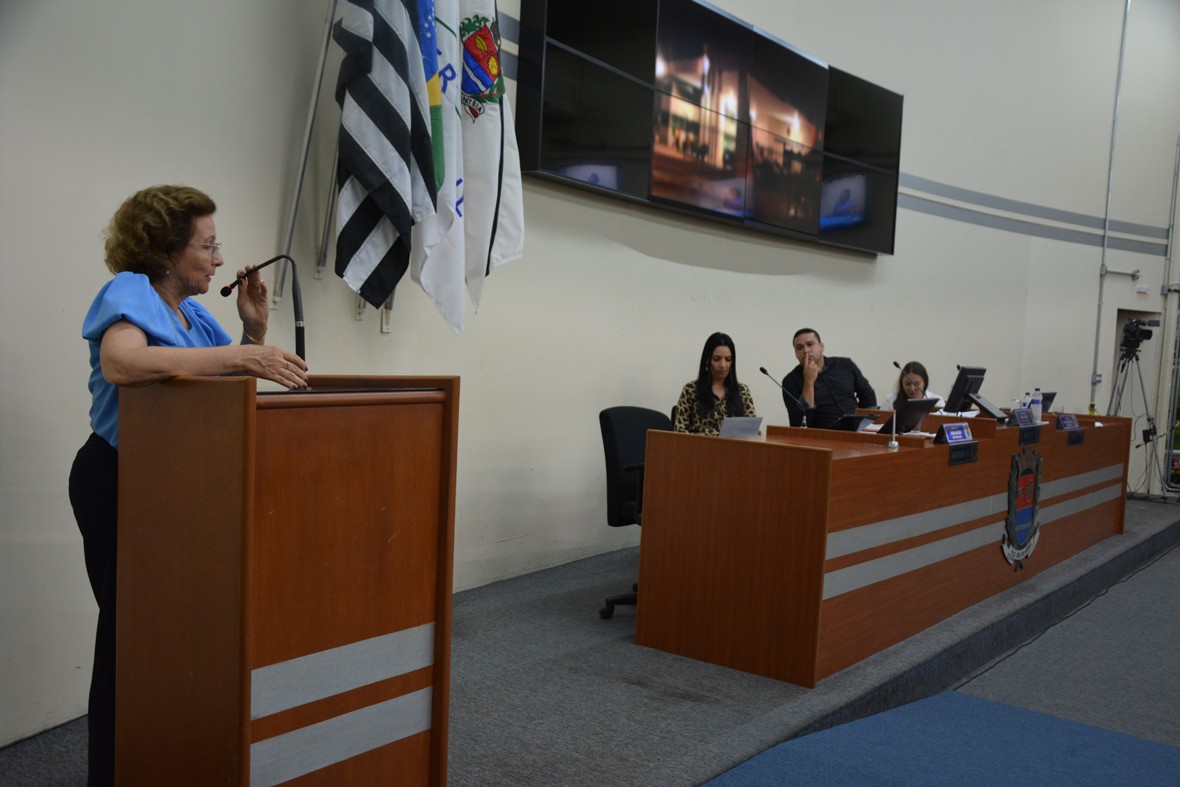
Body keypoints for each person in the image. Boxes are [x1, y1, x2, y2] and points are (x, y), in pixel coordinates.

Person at [68, 185, 309, 785]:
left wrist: (251, 334)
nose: (220, 260)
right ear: (166, 250)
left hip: (176, 488)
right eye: (208, 246)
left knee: (172, 637)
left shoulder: (194, 316)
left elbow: (221, 395)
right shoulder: (131, 291)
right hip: (120, 482)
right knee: (129, 641)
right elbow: (123, 363)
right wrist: (240, 358)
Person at [781, 328, 876, 428]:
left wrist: (868, 423)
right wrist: (809, 382)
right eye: (799, 348)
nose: (806, 350)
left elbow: (867, 394)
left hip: (858, 428)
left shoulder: (845, 365)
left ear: (821, 346)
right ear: (796, 353)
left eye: (810, 344)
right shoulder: (790, 381)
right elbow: (799, 422)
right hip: (823, 433)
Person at [674, 332, 757, 435]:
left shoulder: (742, 391)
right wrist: (714, 437)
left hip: (734, 445)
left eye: (728, 359)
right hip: (698, 445)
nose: (723, 365)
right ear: (707, 360)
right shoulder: (691, 390)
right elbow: (679, 432)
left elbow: (752, 431)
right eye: (717, 359)